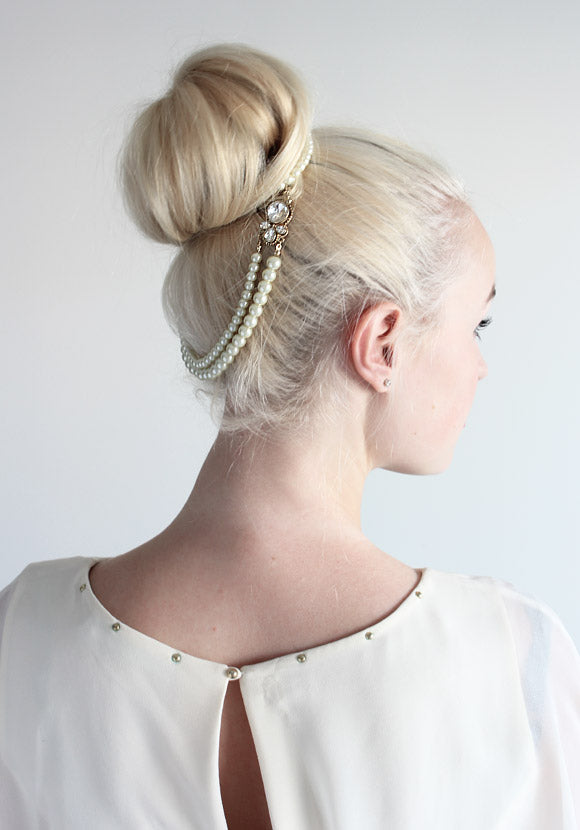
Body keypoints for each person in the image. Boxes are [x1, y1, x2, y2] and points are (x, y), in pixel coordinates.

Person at [0, 43, 578, 830]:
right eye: (477, 324)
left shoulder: (21, 636)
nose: (480, 365)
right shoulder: (511, 659)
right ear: (381, 342)